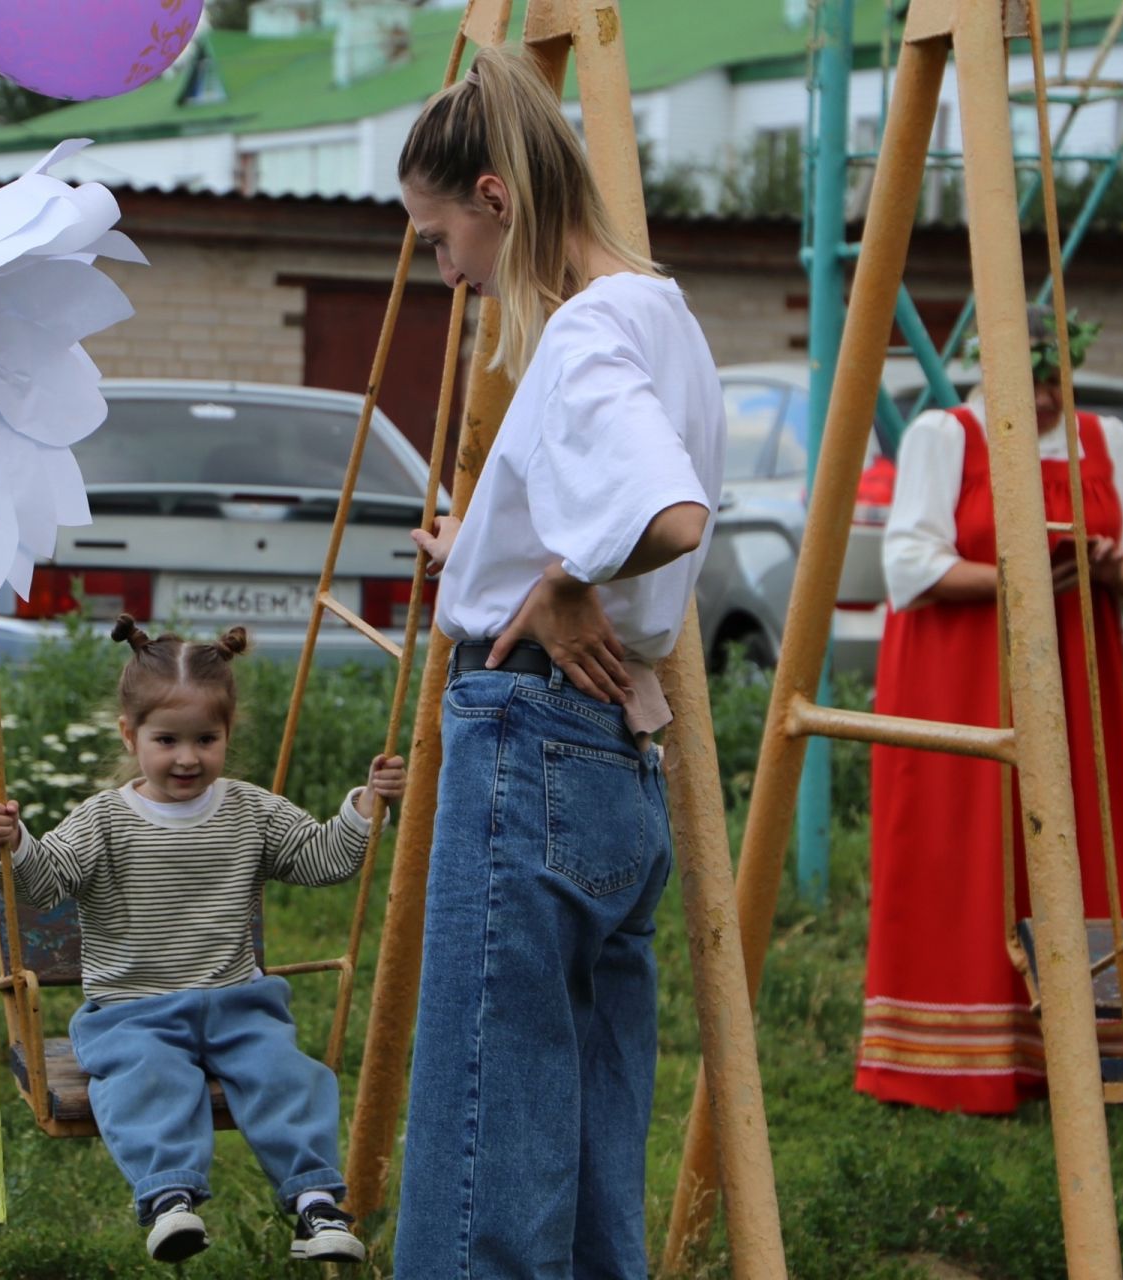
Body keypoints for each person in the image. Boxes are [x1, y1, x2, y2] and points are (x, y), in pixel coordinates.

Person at [392, 46, 724, 1279]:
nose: (446, 268)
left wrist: (570, 578)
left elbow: (668, 513)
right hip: (609, 759)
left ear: (494, 197)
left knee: (486, 1125)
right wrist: (491, 550)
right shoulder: (660, 311)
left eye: (437, 237)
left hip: (531, 740)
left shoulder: (583, 335)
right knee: (579, 1136)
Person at [0, 617, 406, 1266]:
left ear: (227, 736)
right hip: (133, 1011)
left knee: (288, 1074)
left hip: (237, 1003)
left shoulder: (250, 810)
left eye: (206, 739)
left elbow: (320, 860)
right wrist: (11, 848)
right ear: (131, 735)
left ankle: (316, 1200)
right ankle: (168, 1198)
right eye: (167, 740)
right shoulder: (103, 820)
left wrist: (362, 808)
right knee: (147, 1079)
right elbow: (46, 883)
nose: (187, 757)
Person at [856, 307, 1123, 1114]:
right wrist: (1020, 574)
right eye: (1026, 380)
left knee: (1074, 833)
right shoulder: (946, 435)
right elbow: (908, 564)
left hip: (1077, 679)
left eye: (1052, 379)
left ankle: (1080, 1050)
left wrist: (1112, 565)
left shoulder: (1104, 441)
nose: (1040, 398)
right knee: (966, 847)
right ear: (983, 368)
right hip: (959, 677)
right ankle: (946, 1053)